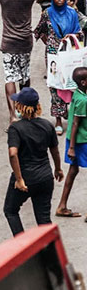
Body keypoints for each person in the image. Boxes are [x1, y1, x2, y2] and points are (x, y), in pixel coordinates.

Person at [4, 87, 63, 235]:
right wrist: (58, 169)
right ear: (37, 106)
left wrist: (19, 179)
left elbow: (13, 153)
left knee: (11, 210)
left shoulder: (16, 128)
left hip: (26, 177)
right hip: (45, 177)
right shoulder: (47, 125)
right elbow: (54, 150)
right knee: (43, 220)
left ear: (20, 107)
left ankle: (23, 246)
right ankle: (51, 253)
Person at [35, 0, 82, 134]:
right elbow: (38, 31)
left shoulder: (72, 13)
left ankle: (74, 116)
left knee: (72, 85)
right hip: (53, 56)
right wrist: (50, 42)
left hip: (70, 55)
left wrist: (71, 37)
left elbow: (79, 32)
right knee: (55, 86)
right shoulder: (47, 13)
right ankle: (58, 120)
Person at [56, 66, 87, 218]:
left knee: (73, 170)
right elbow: (75, 123)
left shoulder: (78, 94)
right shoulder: (83, 100)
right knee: (73, 170)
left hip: (74, 140)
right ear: (83, 82)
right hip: (81, 141)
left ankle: (62, 205)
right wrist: (73, 148)